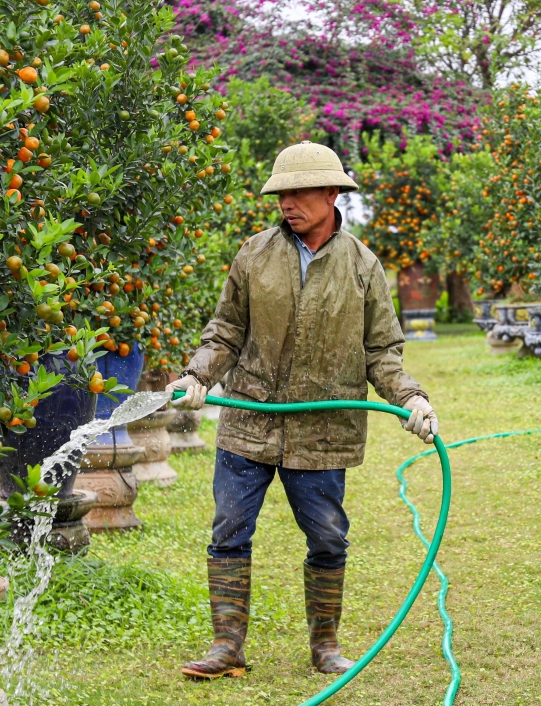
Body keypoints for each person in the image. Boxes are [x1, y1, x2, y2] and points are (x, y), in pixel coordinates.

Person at [168, 140, 439, 680]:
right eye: (280, 194)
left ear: (332, 193)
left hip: (322, 432)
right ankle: (227, 647)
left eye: (298, 193)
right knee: (229, 530)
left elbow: (382, 351)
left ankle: (325, 646)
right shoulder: (254, 254)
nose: (286, 204)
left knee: (327, 537)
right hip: (249, 422)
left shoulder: (362, 266)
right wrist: (198, 375)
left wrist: (411, 397)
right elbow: (225, 330)